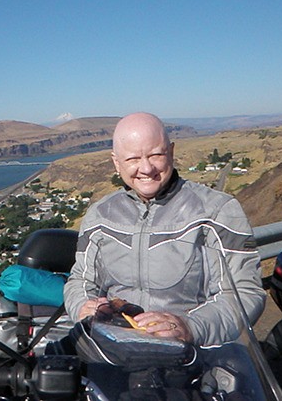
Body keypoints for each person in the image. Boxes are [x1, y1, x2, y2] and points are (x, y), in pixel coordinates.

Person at [63, 112, 266, 348]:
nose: (146, 168)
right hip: (115, 353)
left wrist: (190, 327)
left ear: (171, 152)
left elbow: (245, 294)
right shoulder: (100, 215)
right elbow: (80, 280)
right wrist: (81, 305)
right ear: (116, 162)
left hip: (195, 358)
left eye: (156, 155)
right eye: (133, 159)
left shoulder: (216, 211)